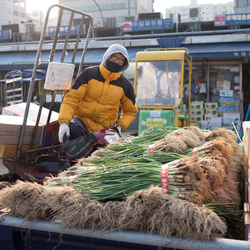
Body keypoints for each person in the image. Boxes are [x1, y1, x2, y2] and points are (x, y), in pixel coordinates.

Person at [58, 44, 138, 144]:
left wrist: (120, 126)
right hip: (81, 123)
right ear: (107, 56)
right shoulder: (88, 74)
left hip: (104, 130)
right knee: (72, 130)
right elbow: (71, 99)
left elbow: (130, 111)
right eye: (114, 57)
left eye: (121, 60)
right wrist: (64, 123)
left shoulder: (125, 85)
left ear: (124, 64)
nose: (117, 61)